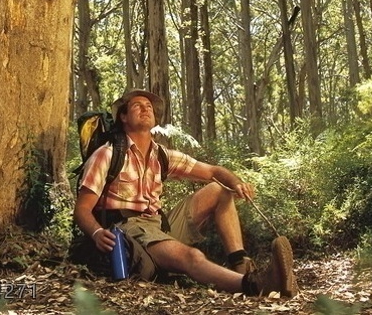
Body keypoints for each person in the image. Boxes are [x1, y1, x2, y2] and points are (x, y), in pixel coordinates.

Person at [73, 89, 297, 297]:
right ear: (123, 117)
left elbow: (213, 172)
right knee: (193, 257)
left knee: (219, 189)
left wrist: (236, 183)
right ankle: (255, 285)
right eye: (137, 105)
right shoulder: (107, 154)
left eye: (149, 106)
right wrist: (96, 233)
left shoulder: (161, 155)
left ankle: (242, 265)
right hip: (128, 229)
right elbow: (82, 210)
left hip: (158, 226)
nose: (145, 108)